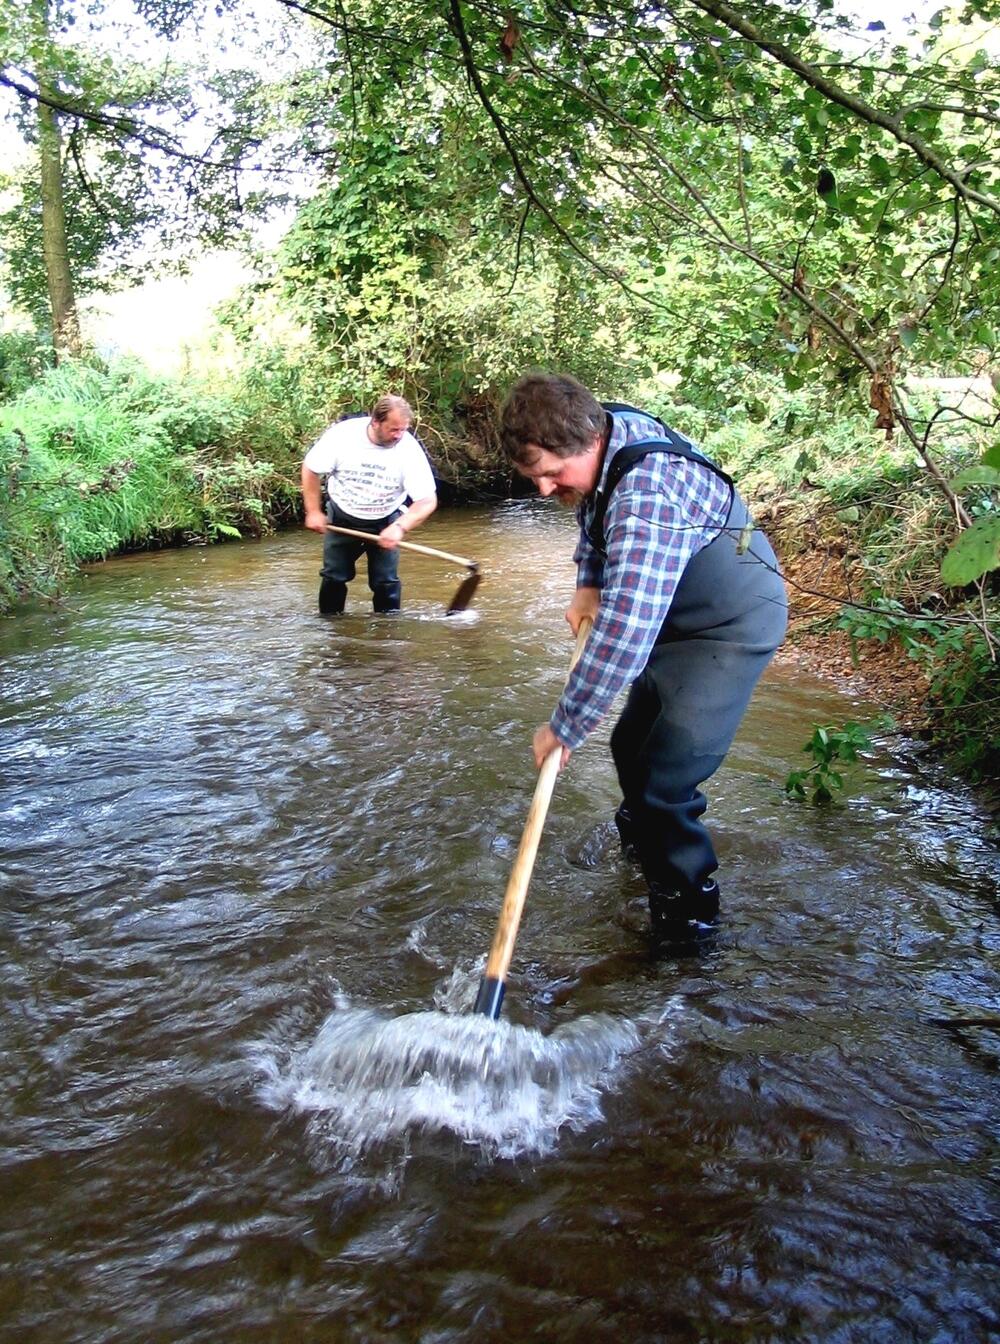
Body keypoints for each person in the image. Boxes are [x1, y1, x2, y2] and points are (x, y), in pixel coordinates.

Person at [500, 372, 788, 943]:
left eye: (553, 473)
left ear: (589, 439)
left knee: (666, 783)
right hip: (672, 610)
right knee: (629, 745)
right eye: (534, 477)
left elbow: (625, 635)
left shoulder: (648, 498)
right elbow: (591, 508)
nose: (545, 489)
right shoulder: (606, 426)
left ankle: (688, 923)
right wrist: (588, 579)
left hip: (726, 627)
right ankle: (642, 855)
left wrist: (564, 727)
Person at [301, 395, 437, 614]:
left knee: (386, 582)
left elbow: (427, 500)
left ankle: (387, 630)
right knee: (334, 576)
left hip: (386, 520)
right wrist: (314, 511)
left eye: (403, 430)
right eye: (394, 429)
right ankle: (329, 627)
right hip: (342, 518)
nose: (399, 436)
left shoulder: (408, 450)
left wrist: (400, 527)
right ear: (375, 422)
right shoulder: (343, 436)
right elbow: (311, 468)